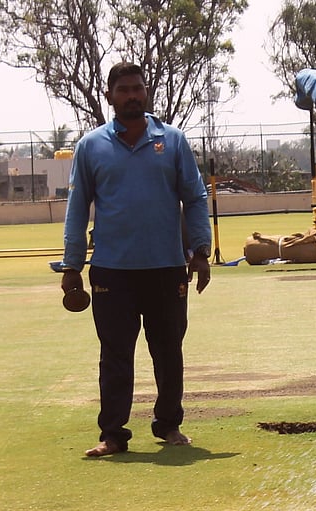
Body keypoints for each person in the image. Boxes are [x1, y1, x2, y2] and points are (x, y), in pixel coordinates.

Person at [61, 61, 213, 458]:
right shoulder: (91, 146)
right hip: (112, 269)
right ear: (110, 96)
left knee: (168, 349)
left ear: (146, 93)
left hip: (166, 267)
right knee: (114, 354)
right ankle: (112, 434)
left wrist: (200, 251)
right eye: (124, 89)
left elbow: (195, 198)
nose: (132, 95)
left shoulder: (173, 141)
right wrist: (72, 266)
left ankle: (169, 425)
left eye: (138, 88)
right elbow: (77, 208)